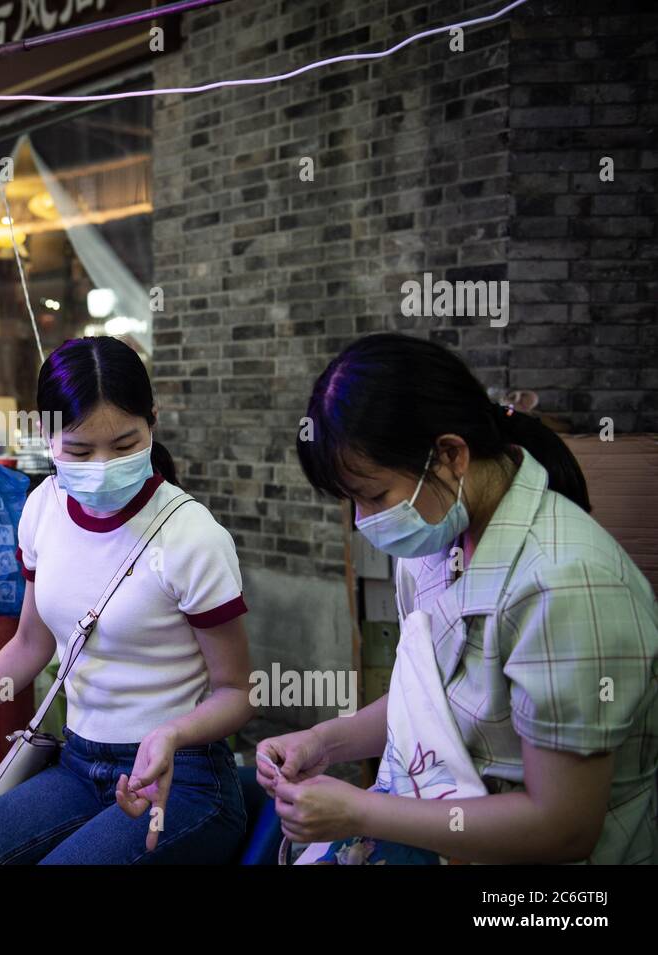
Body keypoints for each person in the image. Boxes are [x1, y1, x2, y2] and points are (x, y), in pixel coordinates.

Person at [258, 332, 657, 864]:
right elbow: (430, 701)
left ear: (450, 455)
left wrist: (360, 811)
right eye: (351, 501)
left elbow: (562, 827)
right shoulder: (440, 540)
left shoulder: (566, 584)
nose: (364, 520)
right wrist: (325, 742)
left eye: (374, 496)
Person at [0, 336, 254, 864]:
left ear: (153, 421)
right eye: (79, 449)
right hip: (78, 764)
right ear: (45, 433)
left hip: (183, 779)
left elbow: (236, 692)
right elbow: (29, 644)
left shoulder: (193, 536)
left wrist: (169, 734)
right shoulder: (42, 509)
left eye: (124, 445)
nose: (103, 464)